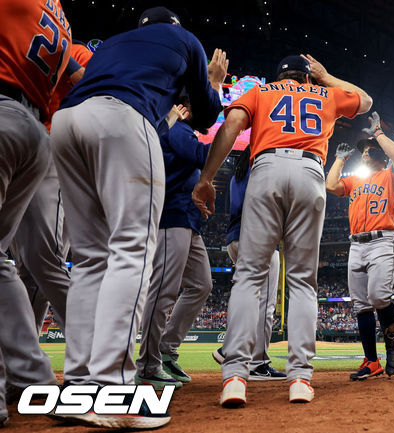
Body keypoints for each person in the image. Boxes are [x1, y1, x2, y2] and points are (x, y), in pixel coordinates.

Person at [50, 6, 226, 428]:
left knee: (91, 259)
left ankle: (78, 388)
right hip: (123, 119)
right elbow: (203, 114)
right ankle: (114, 390)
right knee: (131, 250)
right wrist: (214, 84)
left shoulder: (113, 44)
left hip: (66, 124)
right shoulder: (185, 40)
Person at [193, 53, 372, 406]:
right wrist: (327, 75)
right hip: (310, 173)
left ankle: (235, 377)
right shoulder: (325, 94)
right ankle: (300, 379)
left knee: (249, 276)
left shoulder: (260, 92)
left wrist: (207, 177)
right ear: (307, 78)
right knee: (303, 280)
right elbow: (365, 101)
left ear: (279, 75)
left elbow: (230, 125)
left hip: (267, 167)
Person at [0, 0, 83, 425]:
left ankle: (43, 377)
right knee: (11, 261)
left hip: (11, 117)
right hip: (33, 128)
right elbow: (80, 78)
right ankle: (28, 379)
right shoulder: (59, 19)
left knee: (41, 261)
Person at [136, 100, 223, 390]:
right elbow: (201, 154)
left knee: (202, 284)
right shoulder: (180, 128)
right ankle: (147, 364)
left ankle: (166, 348)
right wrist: (229, 137)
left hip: (188, 217)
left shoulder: (182, 129)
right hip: (171, 214)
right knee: (164, 288)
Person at [325, 112, 394, 381]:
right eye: (365, 149)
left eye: (369, 149)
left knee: (379, 297)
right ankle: (371, 361)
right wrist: (339, 159)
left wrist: (379, 134)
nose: (365, 153)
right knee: (361, 305)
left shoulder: (391, 176)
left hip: (382, 241)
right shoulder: (355, 180)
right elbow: (331, 184)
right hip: (355, 245)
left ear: (380, 154)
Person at [211, 147, 287, 381]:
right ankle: (258, 362)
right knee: (265, 305)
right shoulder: (259, 170)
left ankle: (228, 349)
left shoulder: (239, 174)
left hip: (236, 238)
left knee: (247, 298)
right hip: (258, 238)